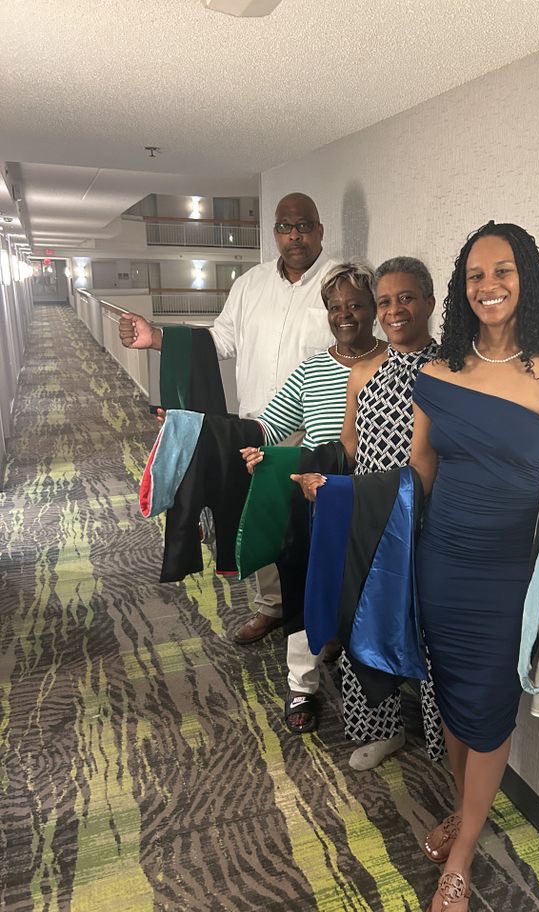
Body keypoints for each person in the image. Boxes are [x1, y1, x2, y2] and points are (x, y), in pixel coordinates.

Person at [409, 221, 539, 912]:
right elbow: (419, 473)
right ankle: (464, 811)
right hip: (441, 562)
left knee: (490, 708)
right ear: (462, 290)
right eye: (474, 276)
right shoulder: (437, 372)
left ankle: (461, 853)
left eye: (503, 272)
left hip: (508, 573)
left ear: (526, 279)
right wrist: (345, 500)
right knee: (455, 695)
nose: (488, 286)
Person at [119, 193, 339, 645]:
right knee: (258, 519)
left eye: (303, 226)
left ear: (320, 230)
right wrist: (156, 337)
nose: (293, 235)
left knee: (313, 529)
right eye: (284, 227)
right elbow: (219, 340)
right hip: (257, 424)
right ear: (274, 233)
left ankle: (324, 616)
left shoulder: (340, 282)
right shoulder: (250, 284)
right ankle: (273, 607)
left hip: (316, 430)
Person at [293, 257, 445, 771]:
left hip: (427, 519)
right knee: (365, 618)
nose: (395, 309)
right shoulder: (364, 369)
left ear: (428, 300)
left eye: (406, 297)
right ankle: (380, 729)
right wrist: (336, 491)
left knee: (426, 627)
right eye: (385, 301)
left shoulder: (449, 368)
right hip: (370, 514)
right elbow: (351, 442)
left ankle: (440, 734)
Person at [239, 261, 386, 732]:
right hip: (317, 501)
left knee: (367, 595)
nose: (345, 315)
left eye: (356, 305)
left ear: (374, 310)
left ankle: (361, 681)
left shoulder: (394, 362)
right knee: (306, 591)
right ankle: (301, 688)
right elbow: (271, 423)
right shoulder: (313, 367)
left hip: (377, 501)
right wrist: (227, 440)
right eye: (335, 307)